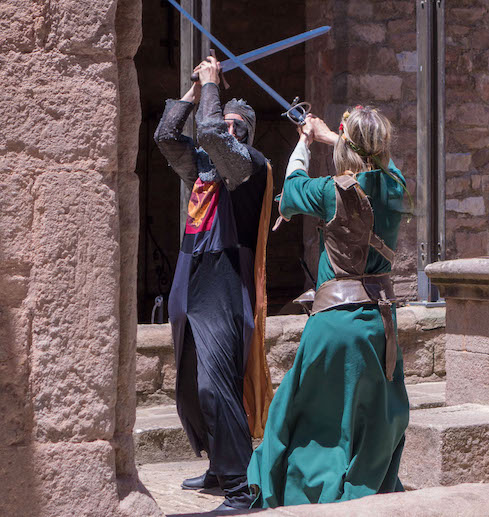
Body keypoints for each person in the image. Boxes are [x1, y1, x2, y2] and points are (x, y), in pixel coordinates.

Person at [246, 106, 410, 508]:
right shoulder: (396, 186)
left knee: (312, 423)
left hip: (334, 327)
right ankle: (363, 493)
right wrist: (333, 135)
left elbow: (292, 183)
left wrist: (305, 142)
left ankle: (311, 497)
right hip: (378, 324)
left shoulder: (328, 191)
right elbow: (379, 162)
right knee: (370, 423)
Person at [154, 55, 274, 512]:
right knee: (188, 381)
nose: (227, 130)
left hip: (224, 282)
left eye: (235, 126)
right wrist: (192, 92)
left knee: (215, 384)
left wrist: (211, 87)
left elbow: (210, 134)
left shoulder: (248, 168)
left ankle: (241, 488)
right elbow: (167, 137)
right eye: (225, 122)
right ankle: (217, 466)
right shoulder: (203, 170)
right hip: (191, 274)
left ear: (245, 133)